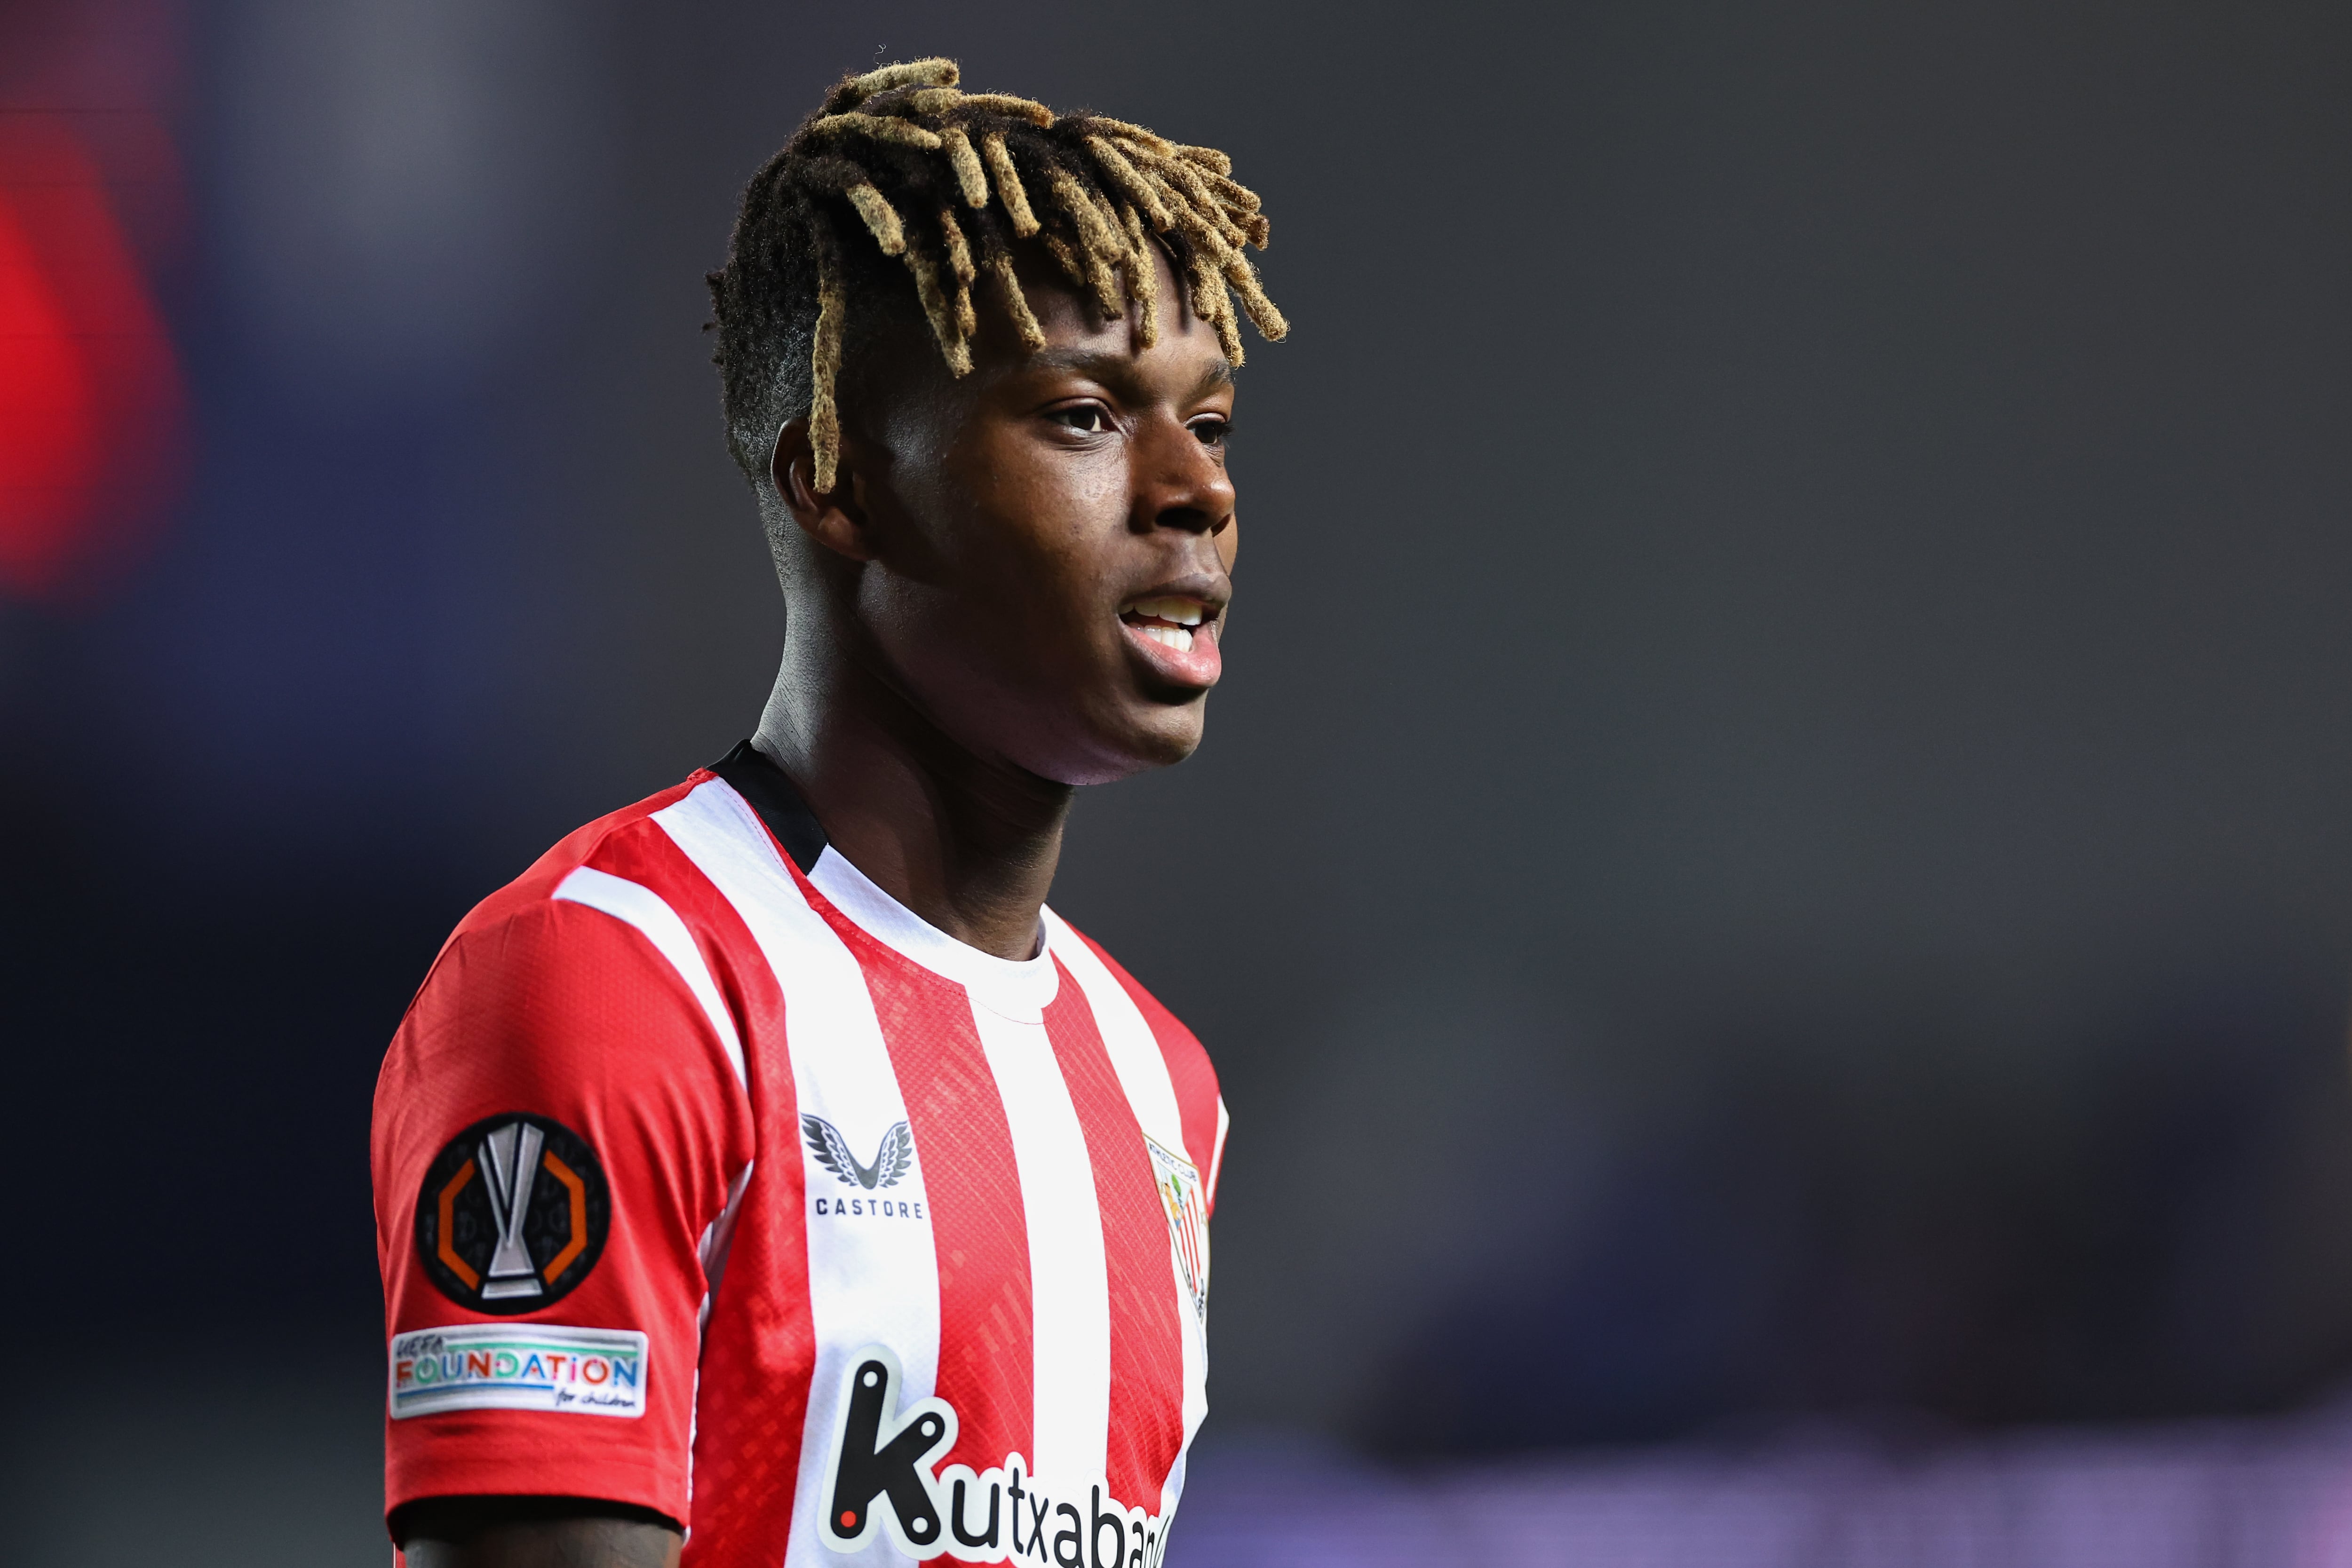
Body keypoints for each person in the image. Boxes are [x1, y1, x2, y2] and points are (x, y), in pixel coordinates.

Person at [371, 57, 1282, 1568]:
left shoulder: (1159, 1083)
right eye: (1082, 417)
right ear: (839, 477)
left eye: (1213, 424)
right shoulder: (615, 979)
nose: (1195, 489)